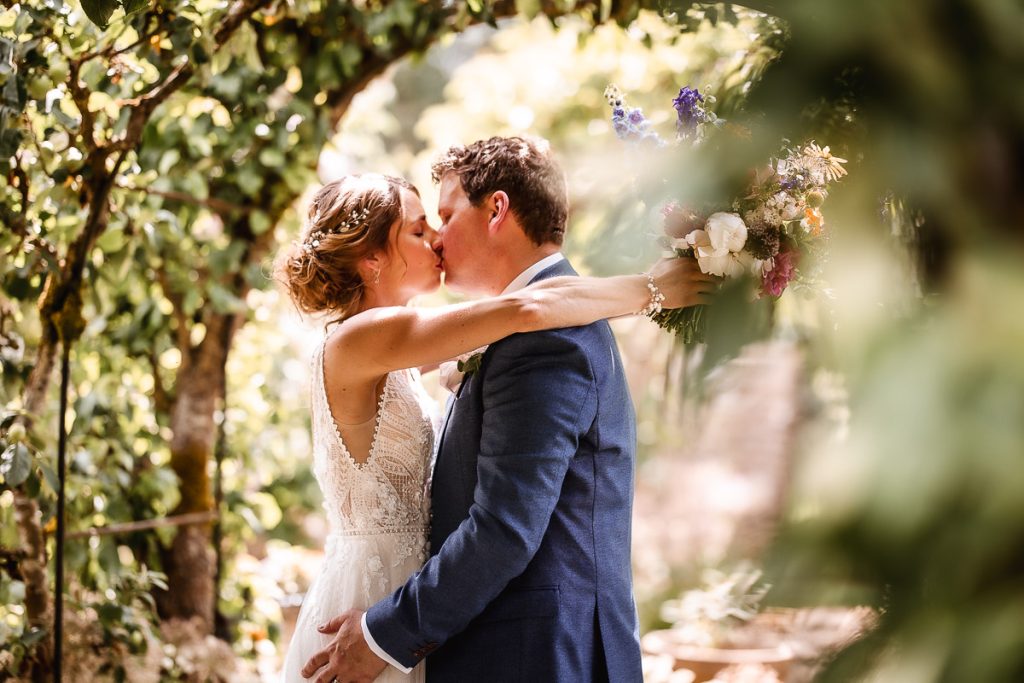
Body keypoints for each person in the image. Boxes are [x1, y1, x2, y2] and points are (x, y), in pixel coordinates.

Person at [282, 138, 715, 683]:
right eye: (420, 229)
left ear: (498, 209)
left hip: (472, 636)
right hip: (378, 602)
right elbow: (526, 307)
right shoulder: (371, 338)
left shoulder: (533, 341)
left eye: (441, 217)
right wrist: (652, 289)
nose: (436, 238)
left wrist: (389, 632)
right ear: (372, 259)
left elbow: (503, 527)